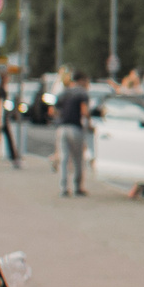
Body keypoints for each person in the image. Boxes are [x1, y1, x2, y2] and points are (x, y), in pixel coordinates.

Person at [54, 68, 92, 196]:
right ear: (82, 80)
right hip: (75, 128)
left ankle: (63, 188)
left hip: (62, 127)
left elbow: (53, 110)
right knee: (77, 159)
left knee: (63, 159)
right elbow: (84, 111)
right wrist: (90, 123)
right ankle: (77, 187)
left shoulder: (64, 92)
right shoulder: (82, 93)